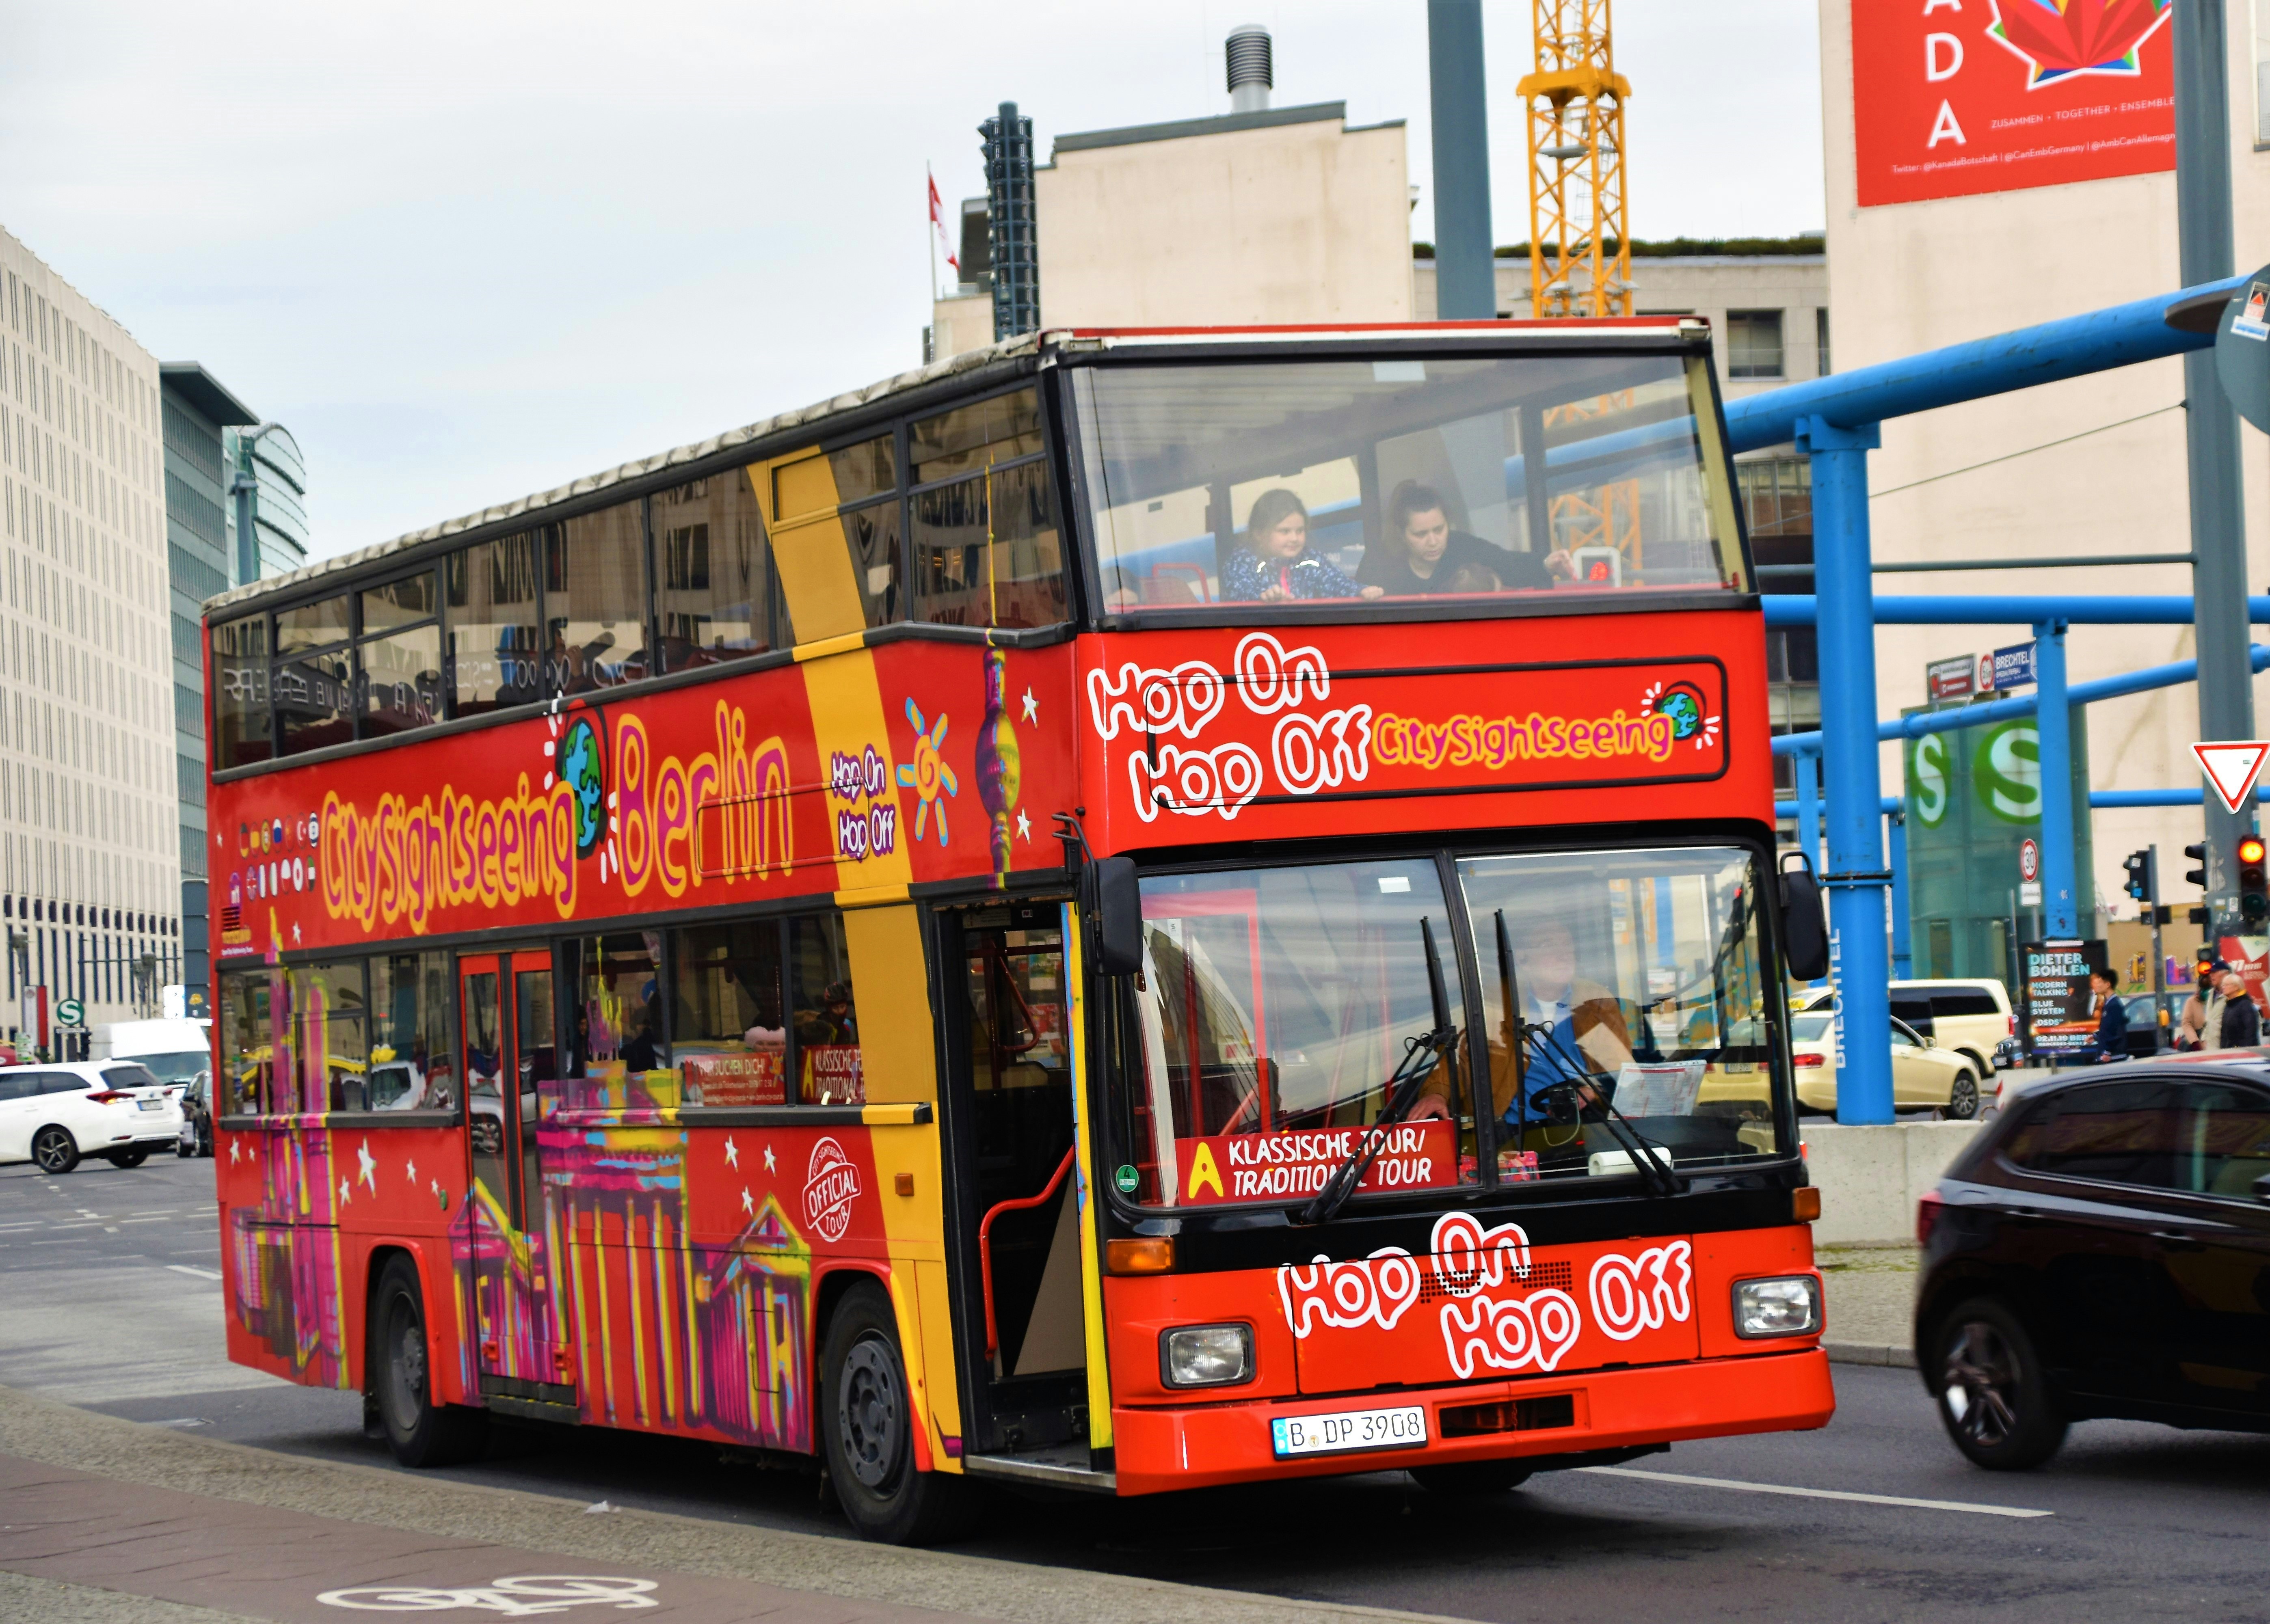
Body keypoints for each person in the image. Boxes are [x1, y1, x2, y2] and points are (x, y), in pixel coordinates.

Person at [1412, 917, 1632, 1127]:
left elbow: (1621, 1072)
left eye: (1567, 945)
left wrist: (1592, 1090)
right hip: (1512, 1134)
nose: (1564, 954)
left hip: (1587, 1126)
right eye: (1548, 946)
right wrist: (1437, 1094)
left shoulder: (1594, 1001)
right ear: (1522, 959)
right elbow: (1457, 1059)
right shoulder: (1493, 1004)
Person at [1358, 482, 1574, 598]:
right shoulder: (1379, 564)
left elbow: (1508, 564)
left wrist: (1547, 564)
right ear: (1401, 533)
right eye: (1421, 535)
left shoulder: (1463, 547)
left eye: (1439, 530)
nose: (1433, 541)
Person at [1221, 489, 1384, 603]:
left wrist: (1361, 591)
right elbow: (1239, 592)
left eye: (1300, 531)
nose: (1294, 538)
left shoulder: (1312, 560)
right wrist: (1263, 598)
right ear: (1259, 533)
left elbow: (1337, 583)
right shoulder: (1242, 561)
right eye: (1285, 531)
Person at [2084, 968, 2127, 1063]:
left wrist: (2108, 1052)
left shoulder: (2114, 1005)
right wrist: (2095, 1036)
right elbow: (2107, 1028)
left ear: (2108, 985)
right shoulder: (2108, 1004)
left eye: (2100, 982)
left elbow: (2115, 1031)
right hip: (2106, 1056)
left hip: (2113, 1057)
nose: (2097, 986)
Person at [2218, 972, 2261, 1050]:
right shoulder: (2228, 1005)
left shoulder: (2245, 1006)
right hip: (2229, 1053)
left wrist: (2241, 1050)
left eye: (2227, 985)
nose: (2223, 988)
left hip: (2243, 1054)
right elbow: (2224, 1034)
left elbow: (2250, 1032)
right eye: (2223, 985)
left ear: (2236, 987)